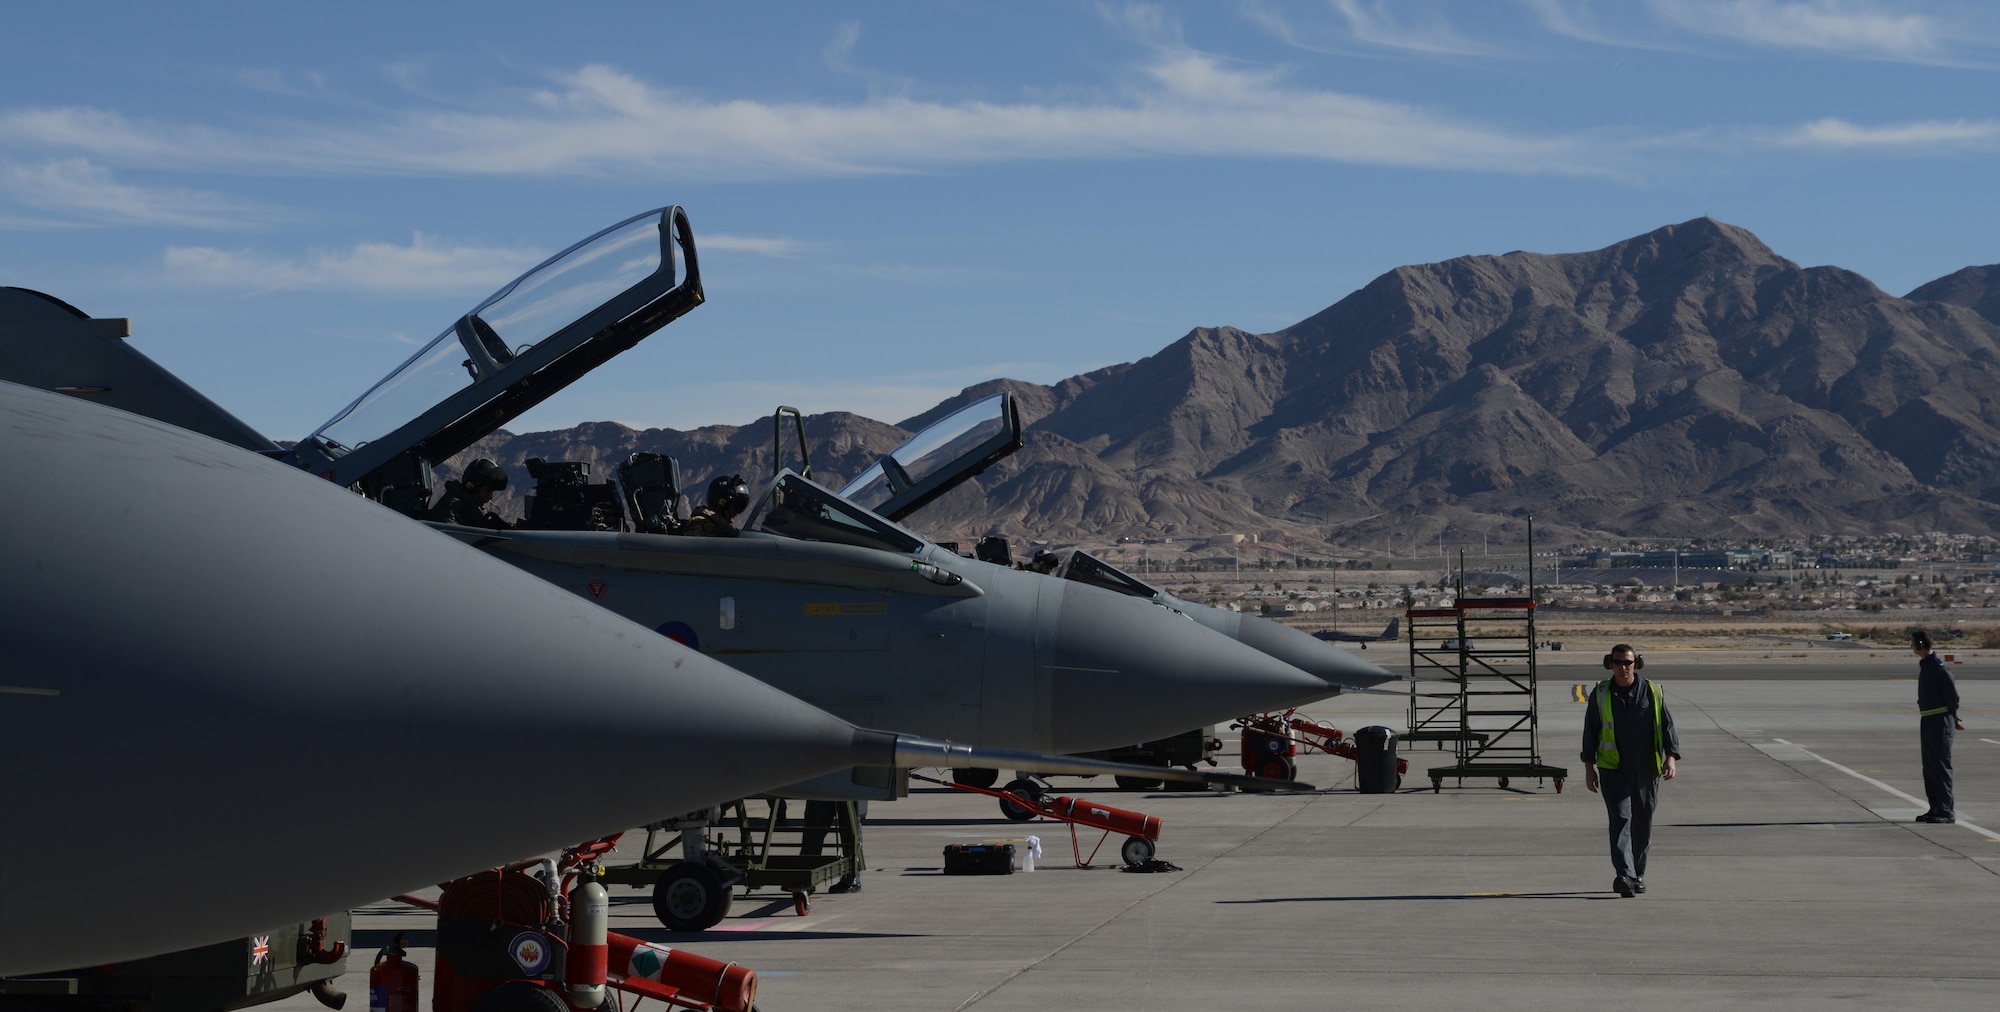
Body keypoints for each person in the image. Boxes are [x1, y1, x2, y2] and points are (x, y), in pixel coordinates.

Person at [1582, 643, 1681, 897]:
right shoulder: (1600, 693)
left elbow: (1668, 727)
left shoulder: (1652, 691)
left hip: (1647, 768)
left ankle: (1638, 874)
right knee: (1620, 820)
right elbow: (1590, 732)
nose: (1623, 667)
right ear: (1610, 664)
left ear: (1636, 663)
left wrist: (1671, 758)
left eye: (1627, 662)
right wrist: (1589, 768)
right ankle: (1623, 875)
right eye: (1617, 663)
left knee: (1642, 823)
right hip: (1612, 768)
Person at [1912, 629, 1964, 824]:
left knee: (1940, 766)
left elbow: (1952, 695)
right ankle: (1935, 807)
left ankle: (1945, 810)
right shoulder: (1927, 666)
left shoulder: (1937, 667)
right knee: (1930, 766)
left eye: (1912, 643)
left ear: (1918, 644)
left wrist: (1954, 717)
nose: (1911, 647)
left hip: (1940, 721)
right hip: (1928, 720)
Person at [429, 457, 513, 530]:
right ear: (472, 487)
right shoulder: (452, 507)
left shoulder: (472, 506)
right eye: (487, 490)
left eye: (492, 491)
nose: (490, 497)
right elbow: (453, 539)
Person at [680, 474, 749, 537]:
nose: (736, 513)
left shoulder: (720, 530)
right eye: (737, 506)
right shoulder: (699, 525)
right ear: (723, 504)